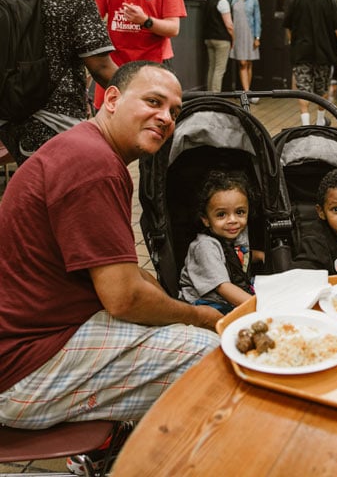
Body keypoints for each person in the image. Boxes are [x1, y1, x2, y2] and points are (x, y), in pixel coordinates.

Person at [0, 61, 221, 435]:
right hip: (23, 370)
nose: (165, 117)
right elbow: (123, 299)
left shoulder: (87, 147)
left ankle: (116, 445)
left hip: (38, 337)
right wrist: (201, 315)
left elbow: (126, 276)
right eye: (153, 101)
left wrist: (162, 298)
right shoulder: (94, 164)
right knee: (214, 356)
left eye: (174, 111)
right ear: (113, 99)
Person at [0, 0, 117, 166]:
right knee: (60, 197)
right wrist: (143, 91)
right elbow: (101, 68)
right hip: (56, 122)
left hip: (9, 119)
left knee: (29, 190)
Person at [179, 171, 264, 314]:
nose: (233, 220)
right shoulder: (205, 247)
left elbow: (240, 254)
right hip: (207, 303)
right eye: (221, 214)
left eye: (240, 212)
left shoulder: (237, 233)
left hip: (234, 290)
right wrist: (260, 307)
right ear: (206, 219)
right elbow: (223, 287)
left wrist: (260, 256)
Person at [283, 0, 337, 126]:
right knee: (322, 89)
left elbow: (288, 27)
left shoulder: (296, 0)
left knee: (303, 89)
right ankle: (320, 122)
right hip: (324, 54)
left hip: (301, 53)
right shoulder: (330, 1)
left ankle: (305, 124)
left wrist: (294, 42)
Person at [222, 0, 261, 102]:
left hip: (249, 33)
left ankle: (246, 92)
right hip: (237, 34)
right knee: (242, 63)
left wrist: (257, 37)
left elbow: (257, 19)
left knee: (249, 63)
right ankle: (248, 93)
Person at [204, 0, 234, 92]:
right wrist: (233, 38)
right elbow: (229, 25)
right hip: (221, 39)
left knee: (212, 67)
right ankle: (216, 96)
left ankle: (210, 95)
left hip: (208, 38)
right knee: (219, 69)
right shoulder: (222, 1)